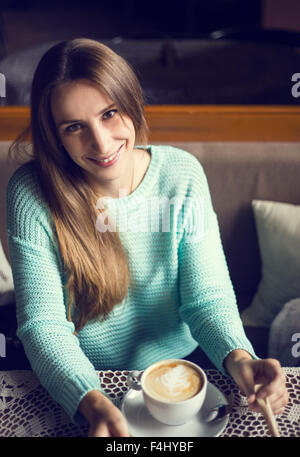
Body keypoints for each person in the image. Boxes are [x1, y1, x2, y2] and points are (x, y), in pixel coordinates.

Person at [6, 38, 288, 437]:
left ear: (132, 102)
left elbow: (206, 299)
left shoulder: (182, 174)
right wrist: (91, 400)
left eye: (109, 113)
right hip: (81, 379)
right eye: (74, 127)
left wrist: (239, 357)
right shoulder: (30, 192)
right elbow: (44, 326)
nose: (101, 144)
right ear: (54, 136)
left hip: (185, 367)